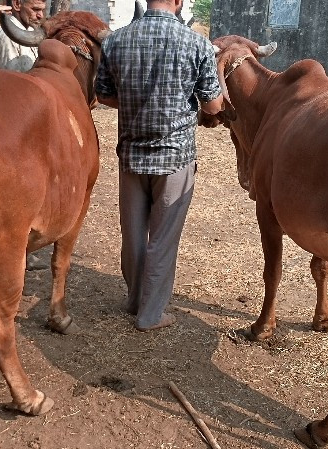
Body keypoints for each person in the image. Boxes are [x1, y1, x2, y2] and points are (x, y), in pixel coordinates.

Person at [96, 0, 224, 331]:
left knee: (134, 234)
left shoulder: (114, 41)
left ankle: (135, 300)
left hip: (131, 155)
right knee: (163, 237)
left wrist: (135, 98)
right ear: (179, 2)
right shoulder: (197, 43)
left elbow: (104, 95)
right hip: (175, 158)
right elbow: (212, 106)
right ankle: (150, 315)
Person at [0, 0, 46, 72]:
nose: (41, 15)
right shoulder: (8, 37)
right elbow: (14, 79)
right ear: (17, 4)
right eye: (35, 9)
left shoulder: (30, 29)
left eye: (42, 10)